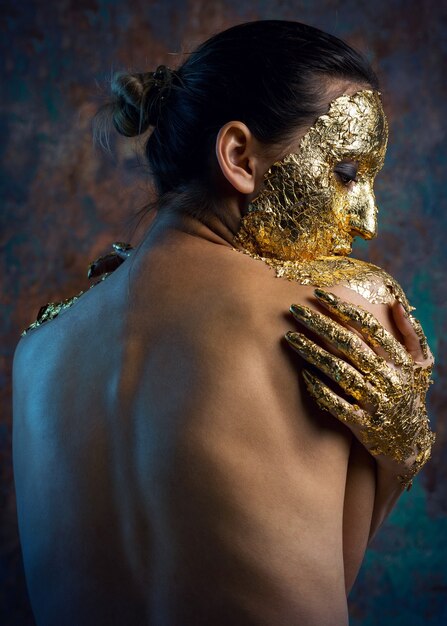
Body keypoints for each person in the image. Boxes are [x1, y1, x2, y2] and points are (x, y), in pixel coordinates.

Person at [12, 20, 435, 626]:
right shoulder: (342, 308)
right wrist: (404, 456)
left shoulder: (38, 351)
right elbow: (328, 583)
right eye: (345, 173)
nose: (367, 223)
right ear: (238, 157)